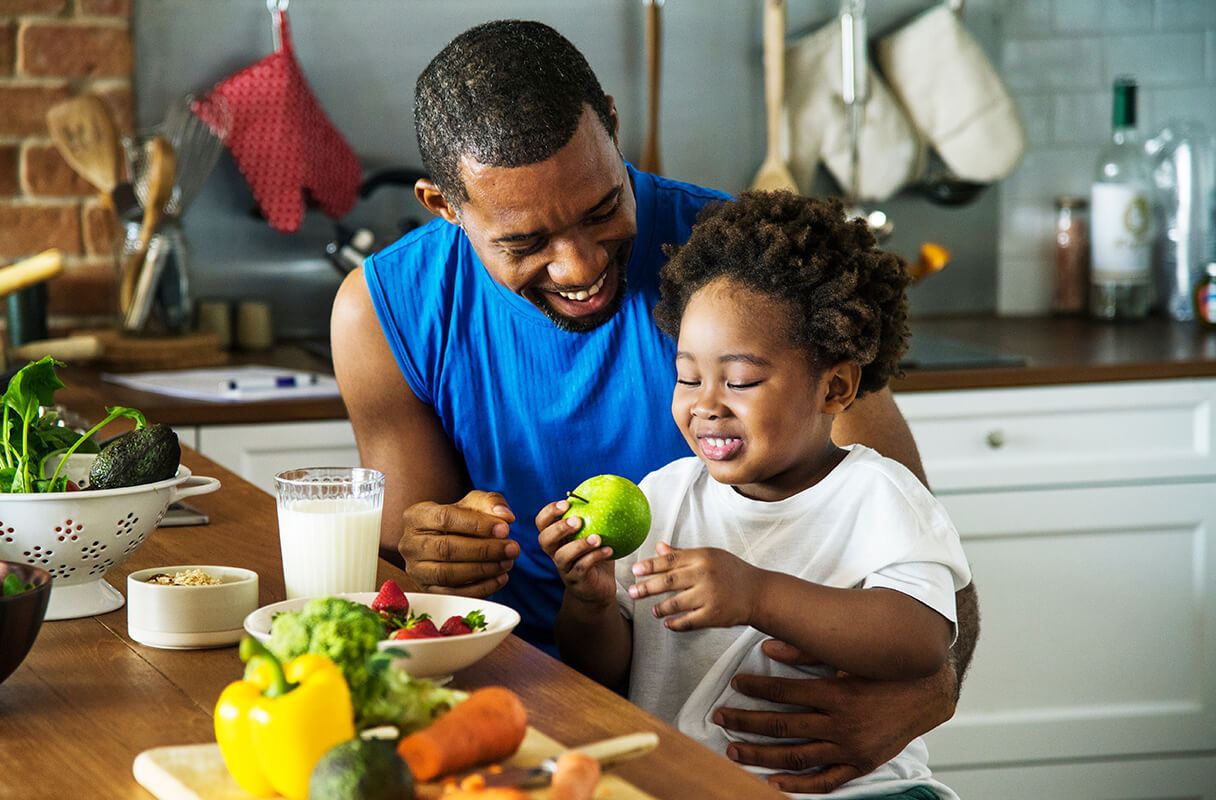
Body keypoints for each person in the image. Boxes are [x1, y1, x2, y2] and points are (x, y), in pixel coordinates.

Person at [330, 19, 980, 794]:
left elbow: (928, 564)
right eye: (525, 241)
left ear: (611, 121)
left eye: (603, 208)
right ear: (445, 205)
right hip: (515, 714)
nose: (580, 265)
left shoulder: (741, 277)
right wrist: (435, 553)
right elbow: (410, 590)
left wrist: (925, 697)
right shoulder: (385, 312)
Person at [537, 190, 970, 799]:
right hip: (688, 787)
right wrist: (588, 603)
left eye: (740, 380)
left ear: (835, 388)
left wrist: (758, 594)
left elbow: (921, 641)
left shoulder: (877, 495)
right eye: (688, 377)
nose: (705, 405)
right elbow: (605, 674)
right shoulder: (664, 497)